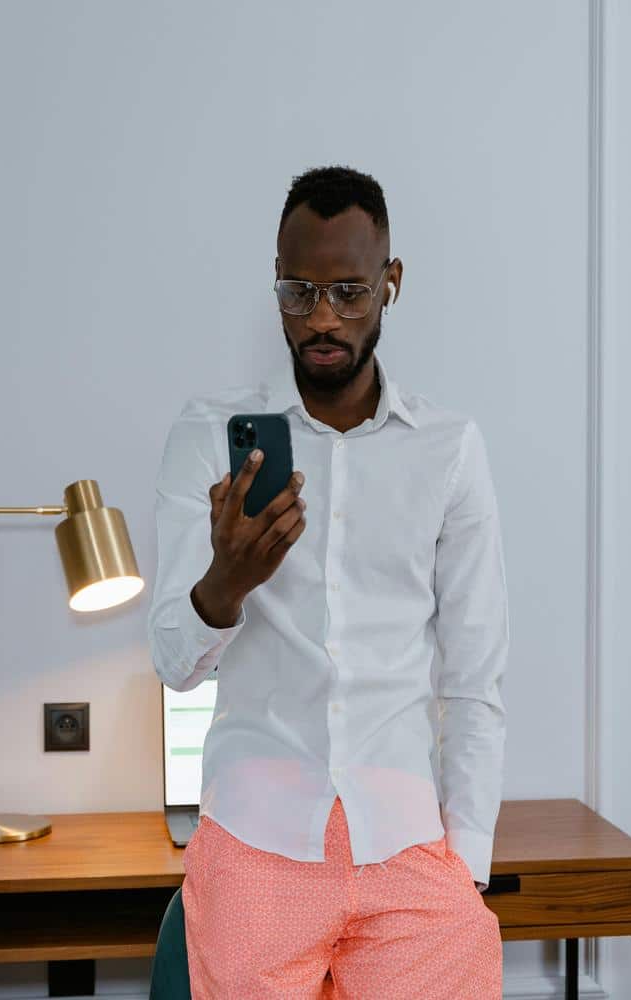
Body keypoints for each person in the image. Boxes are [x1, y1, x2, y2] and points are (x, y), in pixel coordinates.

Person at [148, 165, 509, 998]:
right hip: (255, 841)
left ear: (391, 283)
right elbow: (174, 660)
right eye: (297, 290)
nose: (320, 318)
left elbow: (474, 673)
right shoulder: (208, 438)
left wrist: (469, 863)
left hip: (409, 848)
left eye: (348, 291)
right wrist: (225, 586)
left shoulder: (449, 448)